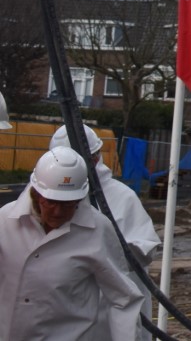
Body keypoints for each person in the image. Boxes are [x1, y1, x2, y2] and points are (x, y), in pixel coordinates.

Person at [0, 147, 144, 340]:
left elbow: (123, 298)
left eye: (68, 204)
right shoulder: (5, 222)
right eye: (50, 202)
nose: (58, 212)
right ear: (36, 194)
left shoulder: (97, 230)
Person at [52, 124, 161, 339]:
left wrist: (101, 255)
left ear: (95, 158)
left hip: (109, 315)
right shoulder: (44, 198)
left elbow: (144, 251)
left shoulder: (121, 198)